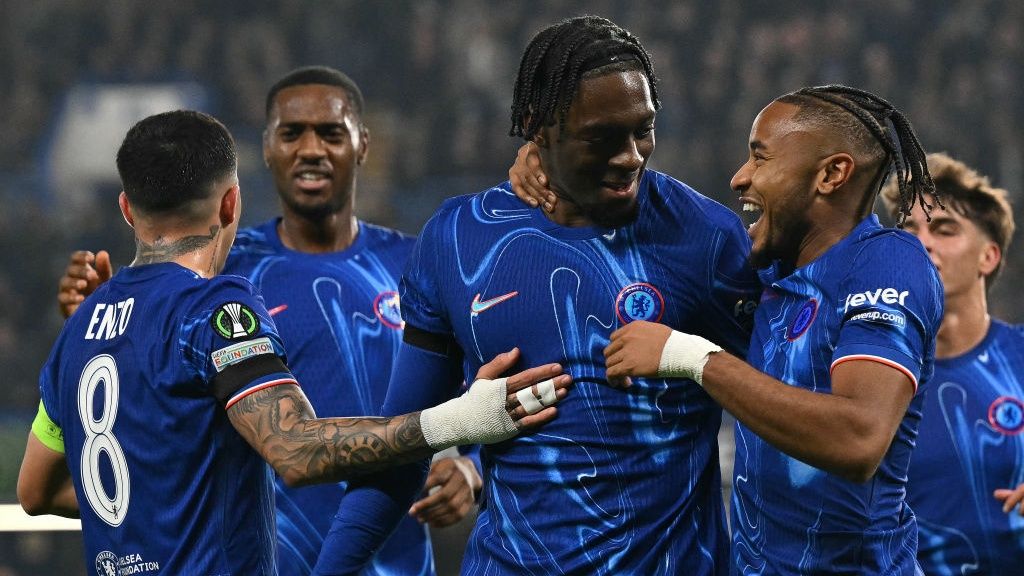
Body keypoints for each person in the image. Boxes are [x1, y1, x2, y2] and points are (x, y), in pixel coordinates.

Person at [16, 109, 571, 576]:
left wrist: (160, 512)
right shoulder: (216, 307)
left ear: (127, 209)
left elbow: (35, 491)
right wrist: (462, 421)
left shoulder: (81, 326)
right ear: (232, 203)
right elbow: (298, 450)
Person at [318, 15, 761, 575]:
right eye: (602, 136)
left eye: (642, 129)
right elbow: (399, 456)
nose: (631, 156)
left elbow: (782, 410)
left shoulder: (705, 238)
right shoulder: (459, 240)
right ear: (538, 128)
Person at [592, 85, 943, 574]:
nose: (739, 178)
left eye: (760, 158)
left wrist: (693, 359)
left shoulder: (885, 261)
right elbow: (688, 220)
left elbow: (858, 439)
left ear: (831, 174)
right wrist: (550, 162)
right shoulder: (772, 277)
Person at [881, 152, 1024, 574]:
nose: (922, 241)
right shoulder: (863, 372)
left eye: (944, 229)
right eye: (909, 229)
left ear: (989, 257)